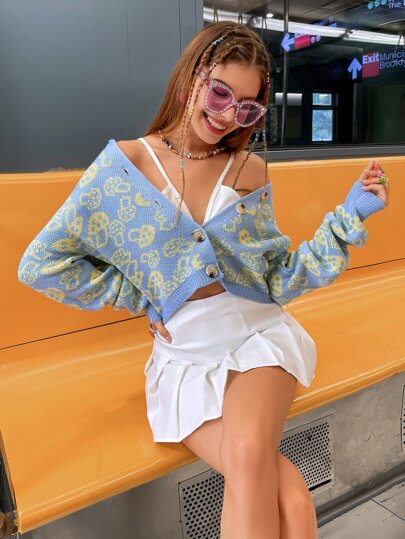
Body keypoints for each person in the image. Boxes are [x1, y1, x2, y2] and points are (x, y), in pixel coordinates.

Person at [18, 21, 389, 539]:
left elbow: (278, 278)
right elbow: (40, 264)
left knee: (248, 452)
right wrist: (140, 297)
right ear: (193, 76)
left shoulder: (248, 170)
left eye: (246, 108)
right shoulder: (122, 168)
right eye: (219, 93)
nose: (227, 115)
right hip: (185, 357)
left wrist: (349, 217)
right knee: (291, 500)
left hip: (258, 337)